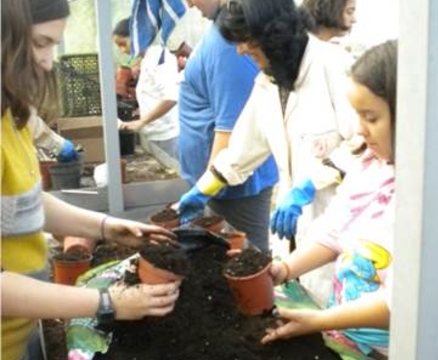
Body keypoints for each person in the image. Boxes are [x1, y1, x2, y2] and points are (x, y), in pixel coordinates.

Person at [260, 40, 438, 360]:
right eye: (358, 116)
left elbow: (408, 302)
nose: (360, 130)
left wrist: (320, 320)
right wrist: (285, 268)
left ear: (416, 113)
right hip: (354, 343)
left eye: (371, 117)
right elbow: (335, 229)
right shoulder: (373, 164)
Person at [1, 1, 181, 359]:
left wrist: (106, 226)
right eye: (40, 43)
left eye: (54, 43)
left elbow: (24, 202)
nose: (49, 60)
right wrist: (106, 302)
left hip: (22, 327)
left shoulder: (11, 118)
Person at [175, 0, 279, 250]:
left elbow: (231, 131)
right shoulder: (222, 32)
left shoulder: (226, 46)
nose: (188, 3)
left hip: (236, 191)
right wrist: (205, 186)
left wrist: (207, 187)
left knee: (247, 263)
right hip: (221, 181)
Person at [114, 17, 181, 172]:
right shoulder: (147, 60)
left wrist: (142, 121)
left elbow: (171, 97)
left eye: (123, 44)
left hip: (167, 135)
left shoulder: (160, 58)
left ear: (138, 35)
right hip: (154, 135)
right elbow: (154, 94)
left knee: (176, 179)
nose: (123, 50)